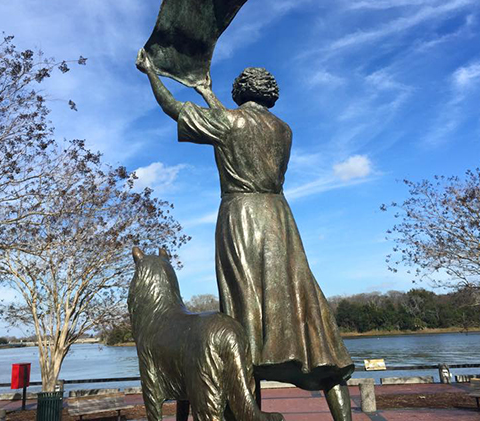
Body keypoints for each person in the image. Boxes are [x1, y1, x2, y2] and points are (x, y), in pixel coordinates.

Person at [136, 49, 355, 420]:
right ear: (271, 94)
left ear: (239, 91)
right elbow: (238, 125)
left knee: (243, 311)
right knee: (304, 304)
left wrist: (150, 73)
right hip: (279, 219)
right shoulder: (284, 130)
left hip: (240, 218)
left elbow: (174, 108)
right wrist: (207, 93)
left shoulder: (230, 122)